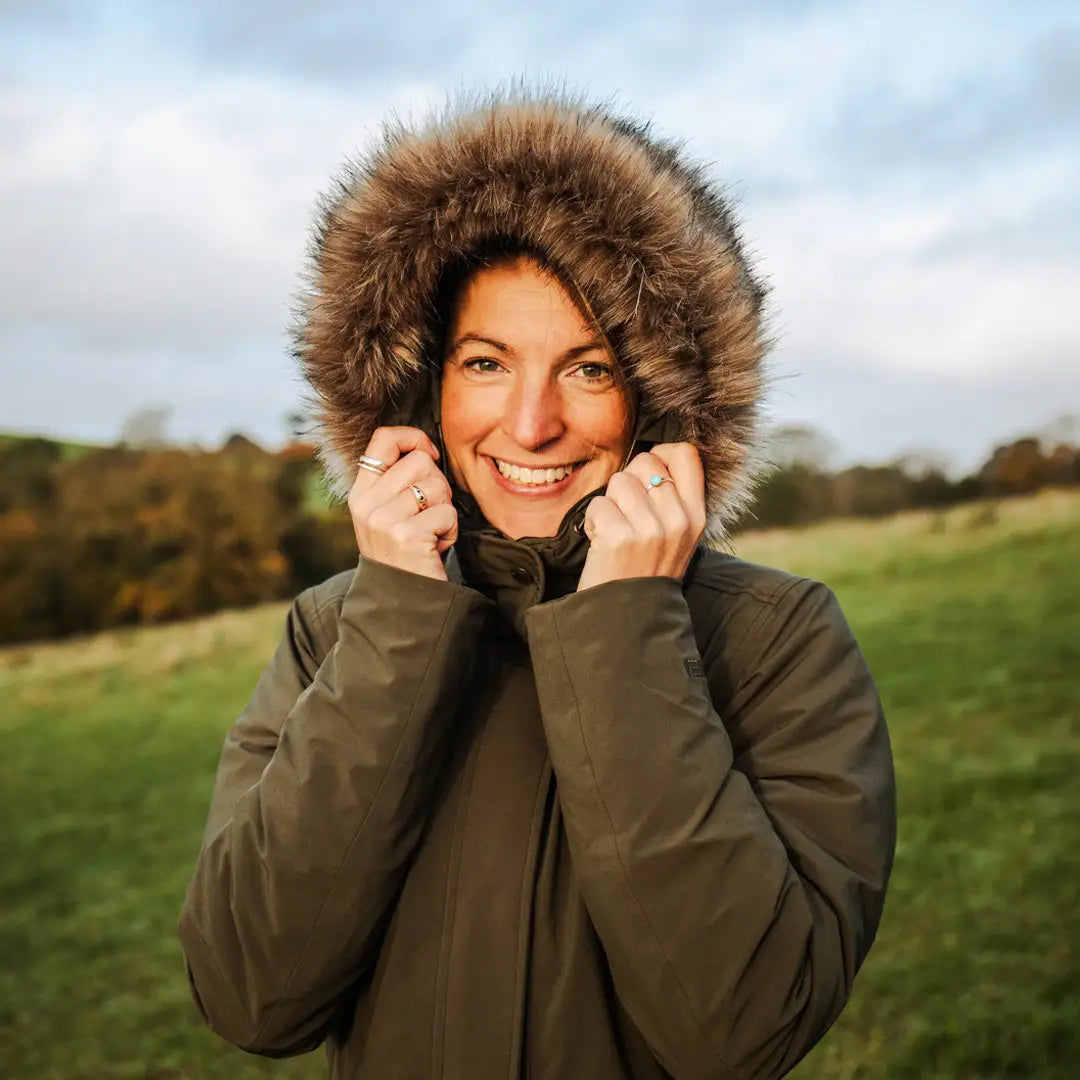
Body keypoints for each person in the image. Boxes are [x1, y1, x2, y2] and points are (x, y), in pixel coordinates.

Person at [178, 90, 896, 1080]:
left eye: (589, 370)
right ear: (422, 383)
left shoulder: (779, 639)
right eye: (486, 362)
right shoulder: (332, 630)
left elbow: (742, 1028)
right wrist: (397, 619)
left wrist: (625, 626)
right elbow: (252, 992)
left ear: (663, 397)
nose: (529, 424)